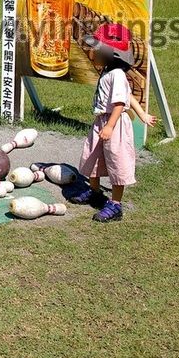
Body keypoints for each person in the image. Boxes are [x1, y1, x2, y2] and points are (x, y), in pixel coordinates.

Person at [70, 23, 150, 222]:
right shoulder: (108, 71)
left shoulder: (117, 75)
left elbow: (120, 102)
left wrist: (110, 126)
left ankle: (115, 204)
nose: (92, 53)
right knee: (93, 158)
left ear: (109, 54)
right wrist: (142, 113)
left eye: (96, 50)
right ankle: (95, 192)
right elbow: (129, 96)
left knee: (117, 161)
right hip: (102, 122)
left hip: (114, 124)